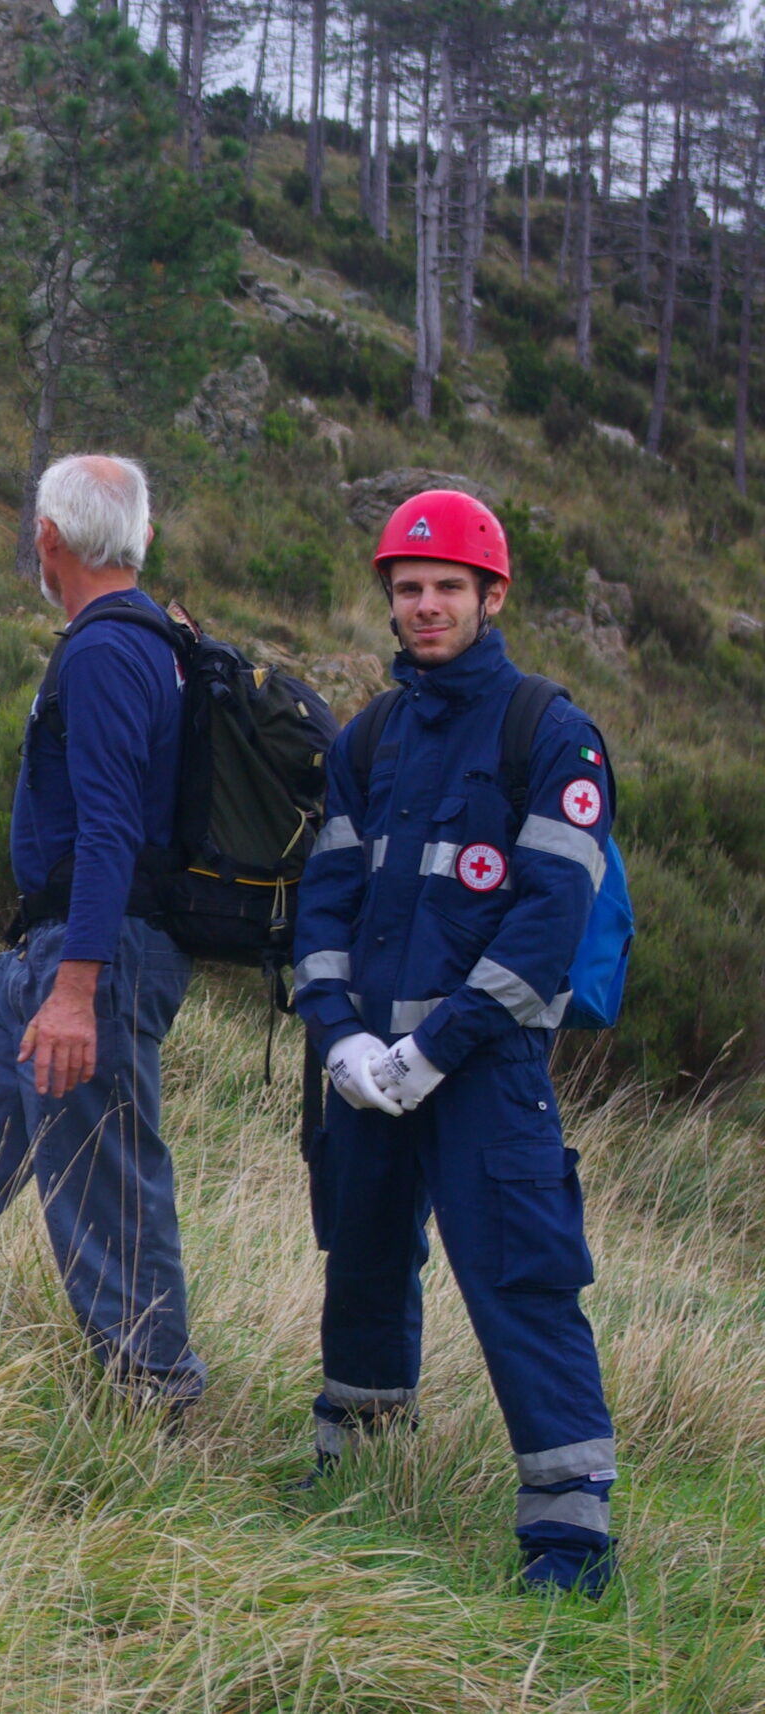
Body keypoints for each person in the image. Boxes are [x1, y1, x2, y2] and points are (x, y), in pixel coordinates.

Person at [294, 491, 620, 1596]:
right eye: (406, 589)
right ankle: (356, 1468)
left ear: (491, 595)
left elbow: (546, 925)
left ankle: (569, 1542)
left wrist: (432, 1048)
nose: (424, 606)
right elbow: (326, 899)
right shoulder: (369, 737)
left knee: (521, 1278)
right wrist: (337, 1039)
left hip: (485, 1073)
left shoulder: (549, 730)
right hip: (365, 1077)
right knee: (365, 1256)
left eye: (445, 588)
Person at [0, 454, 205, 1410]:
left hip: (86, 965)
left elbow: (110, 830)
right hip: (43, 959)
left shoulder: (108, 652)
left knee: (103, 1195)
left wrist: (75, 990)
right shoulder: (141, 642)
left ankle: (159, 1405)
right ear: (141, 538)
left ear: (48, 540)